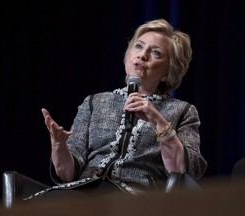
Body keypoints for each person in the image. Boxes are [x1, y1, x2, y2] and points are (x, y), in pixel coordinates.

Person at [26, 18, 207, 200]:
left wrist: (158, 122)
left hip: (137, 198)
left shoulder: (182, 111)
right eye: (138, 46)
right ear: (128, 54)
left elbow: (185, 172)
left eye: (156, 53)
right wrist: (59, 145)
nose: (142, 55)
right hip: (83, 193)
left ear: (169, 71)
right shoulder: (95, 102)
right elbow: (67, 174)